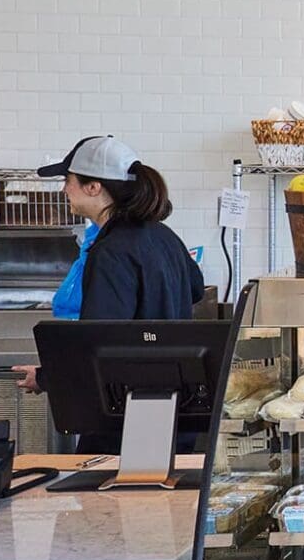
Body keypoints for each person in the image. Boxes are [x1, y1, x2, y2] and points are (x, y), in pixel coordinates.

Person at [13, 135, 205, 391]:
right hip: (175, 395)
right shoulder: (163, 235)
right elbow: (195, 289)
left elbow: (100, 341)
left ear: (94, 187)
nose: (64, 190)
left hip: (128, 404)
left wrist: (46, 377)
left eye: (67, 181)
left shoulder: (111, 251)